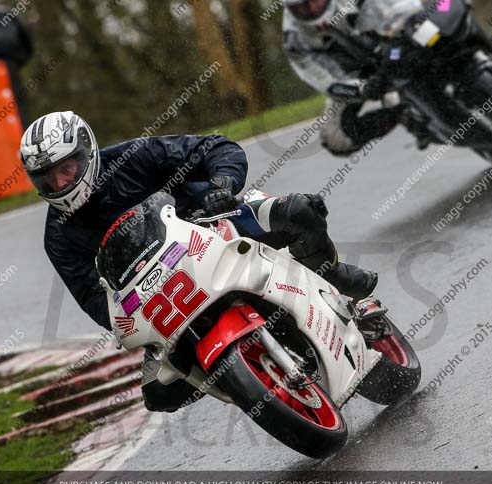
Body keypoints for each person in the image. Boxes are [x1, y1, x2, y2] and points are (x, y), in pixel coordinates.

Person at [19, 111, 380, 411]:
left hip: (212, 225)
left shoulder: (133, 157)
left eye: (65, 168)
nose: (60, 182)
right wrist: (128, 322)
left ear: (87, 152)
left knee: (300, 211)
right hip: (160, 296)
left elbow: (214, 146)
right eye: (47, 178)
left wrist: (222, 185)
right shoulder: (59, 237)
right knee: (160, 395)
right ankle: (243, 380)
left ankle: (333, 276)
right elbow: (92, 299)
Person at [282, 0, 492, 155]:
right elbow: (322, 79)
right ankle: (402, 113)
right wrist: (362, 89)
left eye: (315, 0)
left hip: (397, 33)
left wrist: (410, 18)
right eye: (302, 8)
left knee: (446, 12)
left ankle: (488, 54)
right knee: (335, 138)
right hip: (361, 74)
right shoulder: (294, 38)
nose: (312, 9)